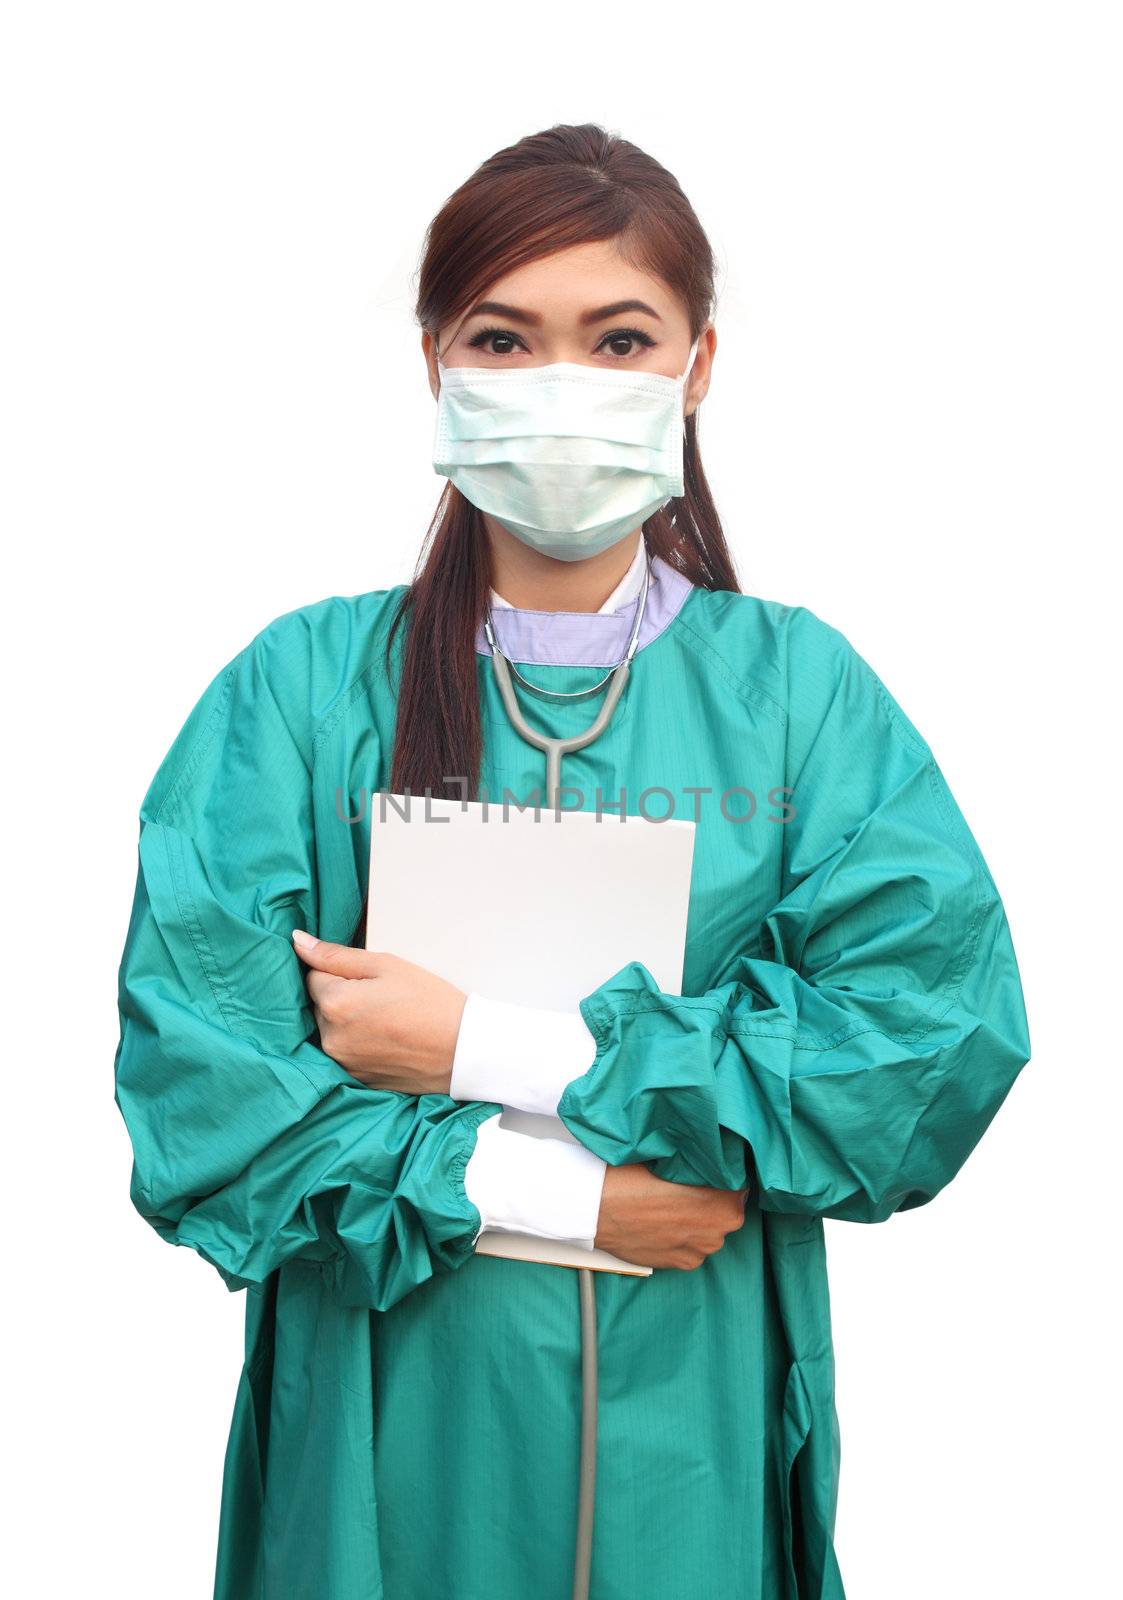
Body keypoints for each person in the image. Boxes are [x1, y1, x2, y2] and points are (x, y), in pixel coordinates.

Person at [113, 122, 1031, 1600]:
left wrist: (487, 1046)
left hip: (697, 1425)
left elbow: (921, 1058)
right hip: (392, 1429)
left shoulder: (797, 696)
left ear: (699, 367)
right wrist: (572, 1202)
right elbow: (206, 1099)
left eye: (617, 339)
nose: (560, 387)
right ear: (435, 364)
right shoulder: (298, 693)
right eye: (504, 336)